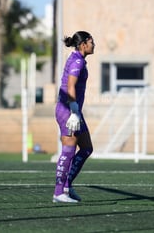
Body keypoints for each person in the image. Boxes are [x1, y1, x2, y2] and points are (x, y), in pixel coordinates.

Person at [53, 31, 95, 203]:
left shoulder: (77, 58)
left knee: (86, 148)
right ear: (83, 44)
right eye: (92, 41)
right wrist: (74, 111)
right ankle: (58, 192)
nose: (94, 45)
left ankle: (67, 185)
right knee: (68, 151)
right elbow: (70, 87)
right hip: (69, 111)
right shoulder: (77, 61)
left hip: (74, 111)